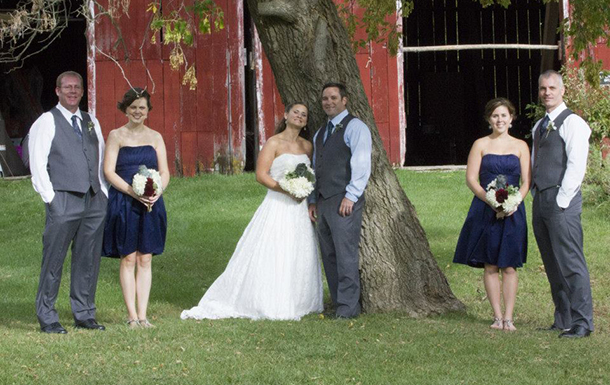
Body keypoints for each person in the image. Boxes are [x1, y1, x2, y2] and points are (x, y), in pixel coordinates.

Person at [181, 103, 323, 320]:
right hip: (278, 203)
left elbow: (310, 174)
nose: (300, 116)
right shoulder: (273, 142)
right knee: (275, 249)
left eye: (304, 115)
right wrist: (286, 189)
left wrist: (303, 190)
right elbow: (261, 174)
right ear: (285, 115)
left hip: (299, 208)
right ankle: (267, 299)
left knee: (297, 249)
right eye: (296, 112)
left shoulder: (307, 146)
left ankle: (298, 299)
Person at [29, 71, 108, 333]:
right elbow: (37, 163)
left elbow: (100, 158)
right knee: (54, 260)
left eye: (77, 87)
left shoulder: (90, 121)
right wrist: (51, 198)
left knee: (88, 259)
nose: (72, 91)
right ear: (57, 91)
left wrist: (103, 192)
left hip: (93, 199)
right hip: (62, 199)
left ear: (83, 92)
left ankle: (84, 313)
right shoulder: (46, 121)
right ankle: (47, 316)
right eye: (67, 87)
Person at [453, 98, 530, 332]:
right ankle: (496, 317)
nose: (500, 120)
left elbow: (526, 181)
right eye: (495, 116)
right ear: (489, 120)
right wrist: (491, 201)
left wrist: (514, 203)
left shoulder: (521, 146)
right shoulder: (480, 145)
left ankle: (509, 317)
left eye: (504, 115)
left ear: (511, 119)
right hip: (485, 210)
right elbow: (471, 179)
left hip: (513, 211)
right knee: (491, 265)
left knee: (509, 265)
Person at [532, 70, 593, 338]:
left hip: (562, 201)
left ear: (562, 90)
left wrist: (562, 200)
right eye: (543, 88)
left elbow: (576, 166)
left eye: (552, 88)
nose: (547, 93)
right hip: (541, 200)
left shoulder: (573, 123)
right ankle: (563, 317)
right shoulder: (538, 126)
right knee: (552, 262)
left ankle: (582, 322)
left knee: (570, 262)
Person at [102, 88, 169, 328]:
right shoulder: (116, 135)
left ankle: (144, 315)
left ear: (148, 110)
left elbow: (165, 172)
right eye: (133, 107)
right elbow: (108, 171)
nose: (137, 111)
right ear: (125, 110)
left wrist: (156, 192)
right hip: (124, 201)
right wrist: (132, 192)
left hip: (151, 203)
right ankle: (131, 316)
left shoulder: (156, 137)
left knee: (146, 258)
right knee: (129, 257)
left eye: (142, 107)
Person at [308, 83, 372, 319]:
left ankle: (348, 309)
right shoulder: (320, 133)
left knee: (345, 255)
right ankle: (338, 303)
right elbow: (317, 167)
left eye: (334, 97)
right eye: (325, 98)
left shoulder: (355, 127)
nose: (328, 102)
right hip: (324, 201)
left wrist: (351, 195)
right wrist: (313, 199)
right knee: (329, 255)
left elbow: (362, 164)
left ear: (344, 100)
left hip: (344, 199)